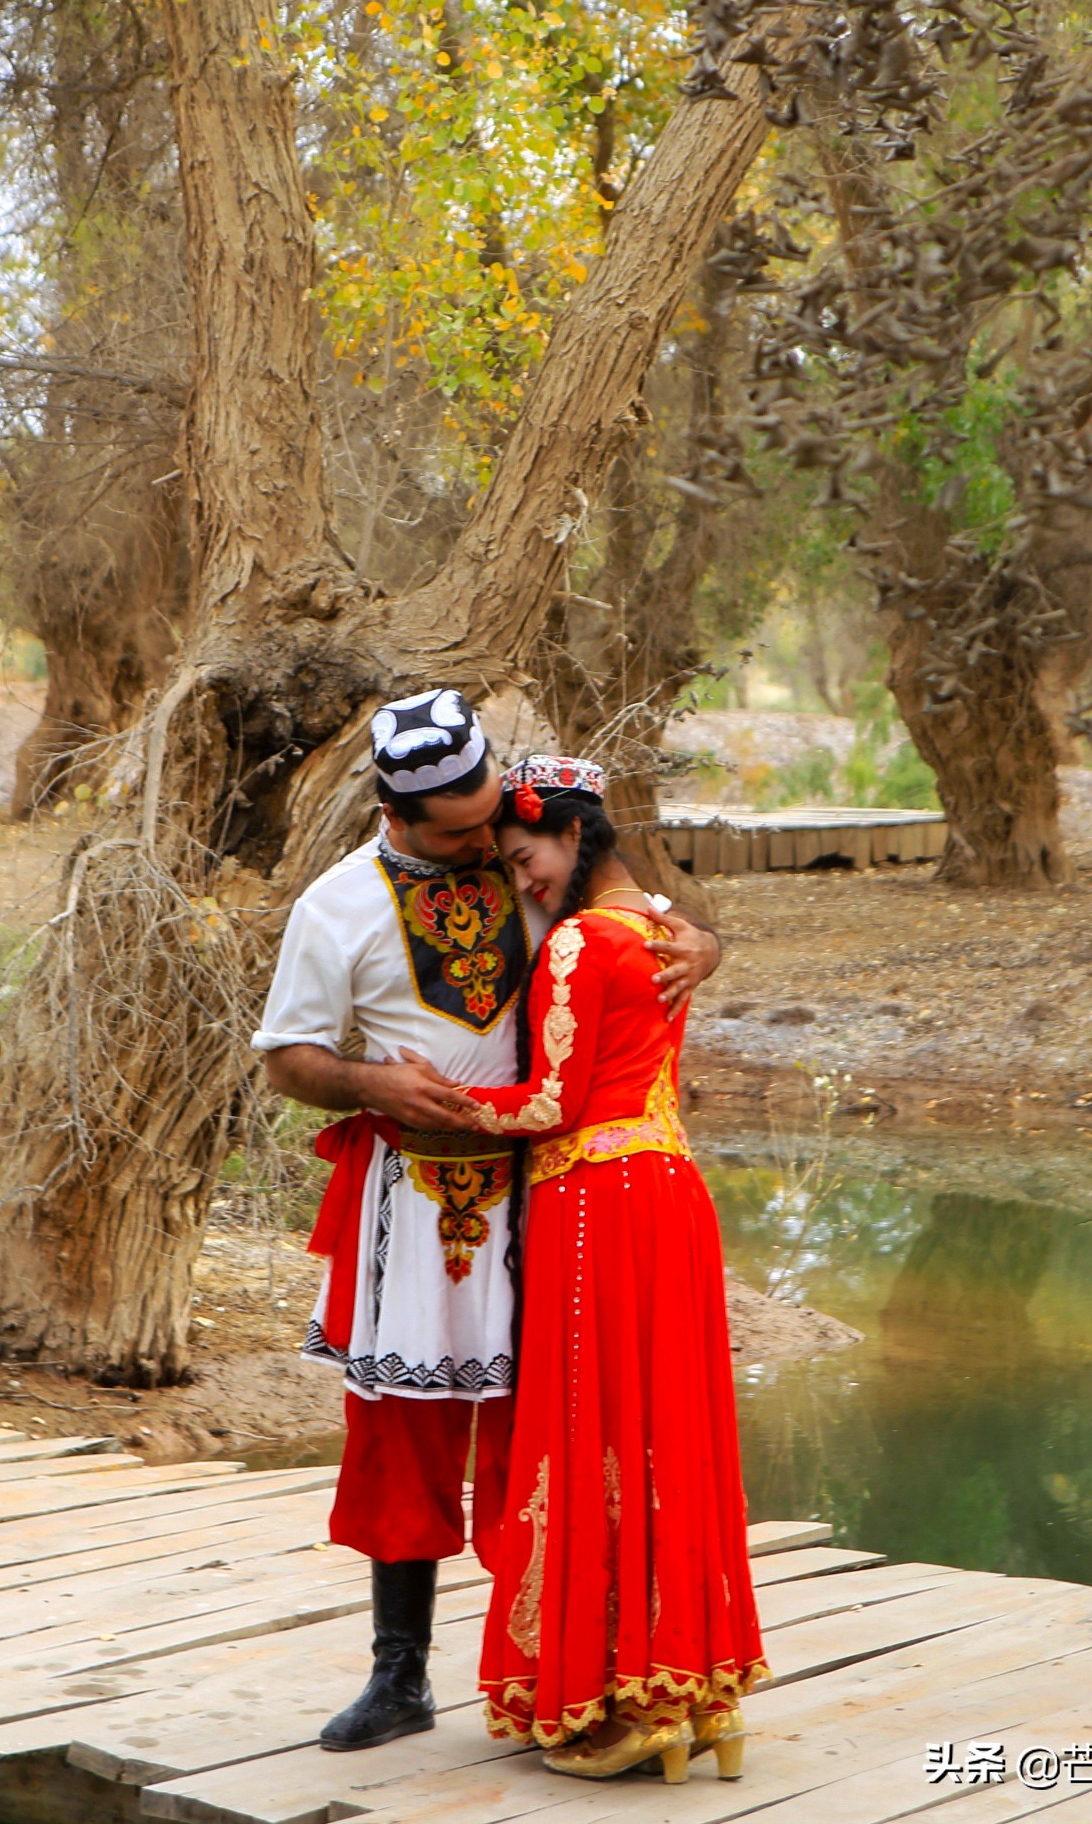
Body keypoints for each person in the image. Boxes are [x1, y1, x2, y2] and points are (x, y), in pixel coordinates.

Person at [252, 690, 721, 1755]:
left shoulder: (528, 854)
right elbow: (287, 1055)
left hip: (551, 1191)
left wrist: (703, 941)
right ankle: (399, 1674)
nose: (484, 850)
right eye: (460, 832)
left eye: (493, 823)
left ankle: (561, 1669)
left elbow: (633, 917)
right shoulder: (335, 907)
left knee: (554, 1427)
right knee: (400, 1436)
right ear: (394, 813)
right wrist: (375, 1081)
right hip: (411, 1195)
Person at [452, 753, 766, 1785]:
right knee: (663, 1431)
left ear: (575, 832)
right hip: (670, 1194)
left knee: (590, 1429)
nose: (522, 876)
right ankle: (688, 1693)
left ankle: (607, 1701)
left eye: (525, 851)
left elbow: (549, 1103)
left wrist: (426, 1101)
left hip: (596, 1201)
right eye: (508, 861)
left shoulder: (582, 941)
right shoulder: (663, 927)